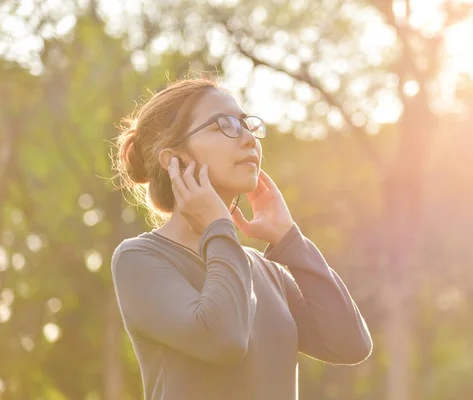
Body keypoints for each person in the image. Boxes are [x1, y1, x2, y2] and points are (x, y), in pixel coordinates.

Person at [110, 77, 373, 400]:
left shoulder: (264, 270)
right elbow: (224, 339)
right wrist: (220, 226)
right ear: (173, 158)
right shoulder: (140, 259)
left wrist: (289, 239)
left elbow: (349, 344)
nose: (249, 138)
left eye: (246, 124)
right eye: (224, 124)